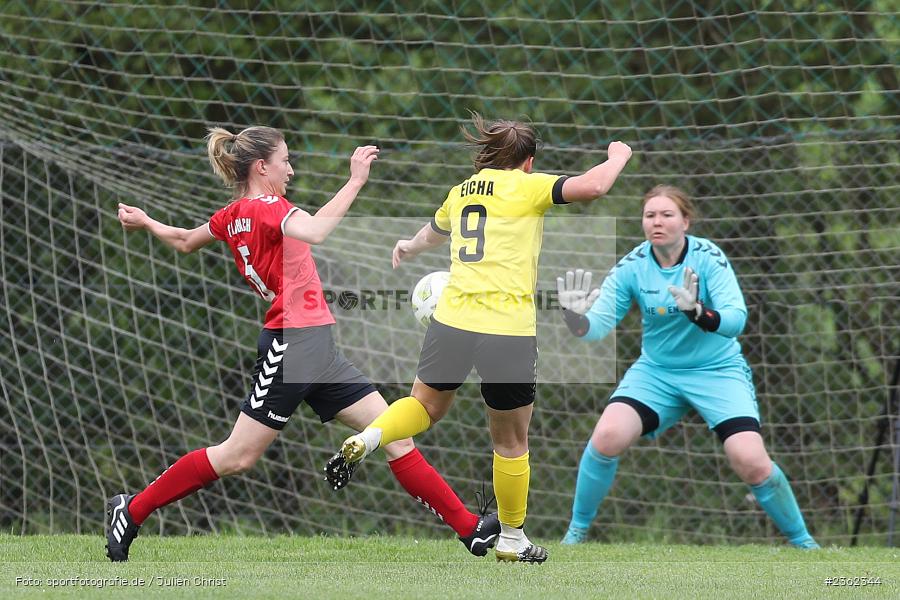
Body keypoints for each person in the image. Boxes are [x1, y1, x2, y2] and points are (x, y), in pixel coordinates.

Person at [106, 125, 499, 561]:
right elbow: (314, 232)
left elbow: (183, 241)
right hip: (290, 346)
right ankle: (132, 510)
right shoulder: (269, 206)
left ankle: (470, 531)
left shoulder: (231, 213)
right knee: (237, 456)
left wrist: (146, 222)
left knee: (392, 434)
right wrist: (354, 181)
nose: (290, 170)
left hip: (317, 348)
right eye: (285, 161)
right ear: (261, 167)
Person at [329, 112, 632, 563]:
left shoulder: (461, 191)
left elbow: (434, 233)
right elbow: (594, 186)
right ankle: (512, 539)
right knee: (510, 442)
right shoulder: (528, 186)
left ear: (489, 155)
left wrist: (409, 246)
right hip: (506, 330)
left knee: (424, 408)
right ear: (528, 161)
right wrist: (617, 156)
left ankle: (372, 436)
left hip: (452, 321)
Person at [556, 184, 819, 549]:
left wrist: (698, 313)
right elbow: (596, 328)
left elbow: (735, 320)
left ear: (686, 221)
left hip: (717, 370)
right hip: (657, 372)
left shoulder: (708, 257)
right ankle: (576, 534)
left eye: (667, 215)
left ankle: (804, 544)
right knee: (606, 437)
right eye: (650, 215)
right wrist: (574, 318)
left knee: (750, 460)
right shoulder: (633, 265)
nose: (657, 222)